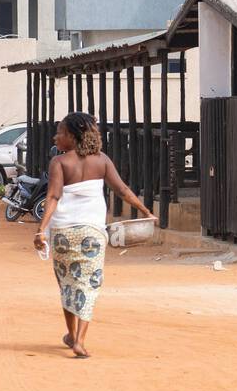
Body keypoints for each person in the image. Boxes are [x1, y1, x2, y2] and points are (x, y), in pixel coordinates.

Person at [34, 112, 155, 358]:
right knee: (89, 285)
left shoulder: (59, 162)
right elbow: (122, 190)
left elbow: (53, 197)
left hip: (63, 233)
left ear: (72, 136)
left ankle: (70, 335)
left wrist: (41, 230)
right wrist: (146, 211)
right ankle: (79, 340)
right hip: (92, 234)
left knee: (67, 284)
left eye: (60, 132)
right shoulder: (101, 161)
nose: (56, 136)